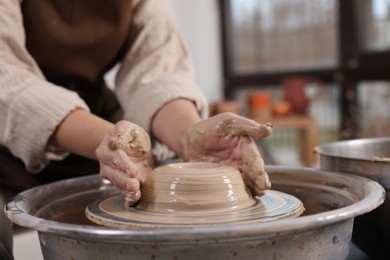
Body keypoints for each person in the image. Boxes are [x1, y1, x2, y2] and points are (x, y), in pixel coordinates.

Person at [0, 0, 273, 259]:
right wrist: (106, 140)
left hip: (104, 132)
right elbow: (8, 82)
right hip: (10, 143)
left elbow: (156, 71)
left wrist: (189, 136)